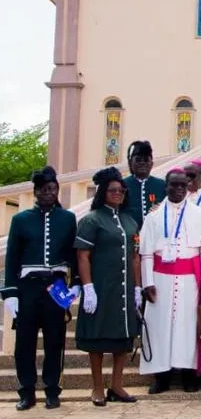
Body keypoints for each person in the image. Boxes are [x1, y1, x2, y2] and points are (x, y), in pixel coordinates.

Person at [2, 166, 78, 410]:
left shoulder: (67, 219)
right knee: (24, 342)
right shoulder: (21, 220)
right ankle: (26, 391)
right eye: (44, 189)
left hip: (55, 286)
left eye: (53, 189)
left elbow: (72, 254)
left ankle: (52, 389)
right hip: (27, 288)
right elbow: (12, 258)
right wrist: (11, 293)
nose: (49, 193)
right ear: (35, 192)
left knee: (55, 340)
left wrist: (75, 282)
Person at [75, 167, 141, 406]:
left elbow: (135, 257)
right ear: (103, 192)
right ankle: (97, 387)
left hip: (124, 289)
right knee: (98, 338)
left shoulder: (130, 220)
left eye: (121, 190)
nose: (117, 193)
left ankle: (117, 385)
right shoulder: (92, 220)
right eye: (112, 190)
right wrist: (88, 287)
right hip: (102, 287)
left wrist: (137, 288)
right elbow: (83, 256)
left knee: (122, 338)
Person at [139, 168, 201, 394]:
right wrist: (147, 282)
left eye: (182, 185)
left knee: (187, 326)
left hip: (189, 280)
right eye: (173, 185)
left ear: (188, 186)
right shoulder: (153, 216)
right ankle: (161, 376)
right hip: (161, 279)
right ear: (165, 186)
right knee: (160, 327)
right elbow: (146, 253)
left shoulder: (200, 214)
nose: (178, 189)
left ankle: (188, 374)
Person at [123, 140, 166, 229]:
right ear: (131, 163)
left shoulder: (162, 185)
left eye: (146, 160)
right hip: (129, 238)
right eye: (138, 160)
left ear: (152, 164)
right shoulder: (122, 185)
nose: (142, 163)